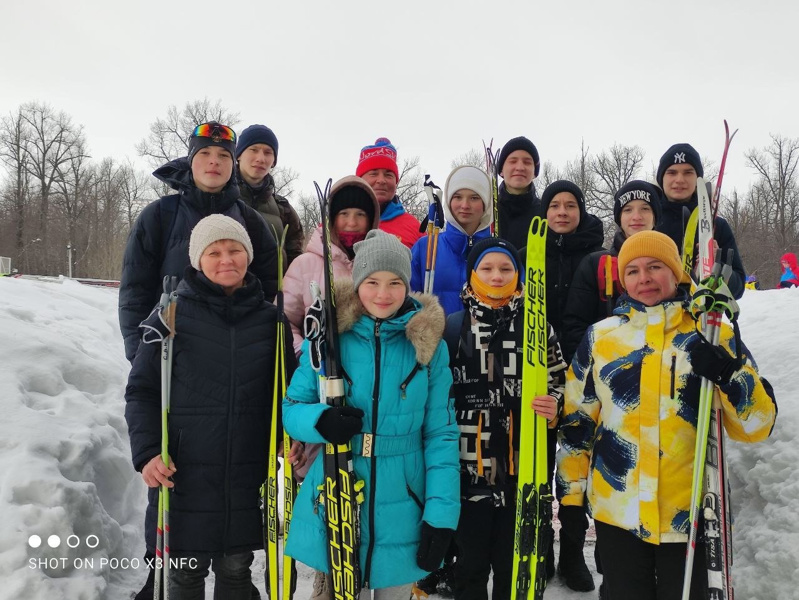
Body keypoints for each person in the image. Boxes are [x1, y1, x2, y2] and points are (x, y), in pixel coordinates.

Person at [557, 231, 777, 600]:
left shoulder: (711, 334)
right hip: (619, 515)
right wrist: (571, 498)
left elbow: (757, 427)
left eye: (655, 267)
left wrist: (729, 374)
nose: (644, 278)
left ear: (676, 273)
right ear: (622, 280)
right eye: (633, 270)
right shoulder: (601, 338)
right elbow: (578, 424)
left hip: (692, 518)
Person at [125, 215, 299, 599]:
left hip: (247, 475)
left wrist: (292, 442)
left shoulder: (272, 321)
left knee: (237, 572)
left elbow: (290, 393)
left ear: (248, 256)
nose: (226, 260)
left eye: (235, 249)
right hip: (184, 475)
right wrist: (148, 453)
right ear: (197, 260)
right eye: (214, 252)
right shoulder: (170, 315)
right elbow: (142, 390)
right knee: (184, 577)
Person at [282, 230, 460, 599]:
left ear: (407, 285)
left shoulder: (428, 346)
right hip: (338, 491)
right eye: (373, 282)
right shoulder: (331, 338)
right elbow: (291, 409)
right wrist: (320, 422)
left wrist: (441, 517)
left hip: (405, 502)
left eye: (395, 282)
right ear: (358, 281)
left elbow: (441, 433)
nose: (383, 294)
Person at [442, 237, 566, 600]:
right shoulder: (453, 328)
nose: (496, 276)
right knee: (470, 566)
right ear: (472, 274)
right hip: (470, 472)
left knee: (516, 567)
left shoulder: (537, 327)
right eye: (487, 268)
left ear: (518, 275)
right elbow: (434, 396)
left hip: (520, 470)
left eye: (506, 268)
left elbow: (560, 379)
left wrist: (555, 403)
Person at [119, 121, 278, 363]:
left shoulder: (251, 221)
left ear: (232, 165)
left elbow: (268, 286)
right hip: (171, 356)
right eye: (205, 153)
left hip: (234, 359)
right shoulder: (159, 216)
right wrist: (140, 354)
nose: (214, 161)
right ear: (191, 160)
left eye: (224, 155)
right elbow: (134, 293)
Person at [536, 179, 604, 591]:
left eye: (570, 205)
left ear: (581, 211)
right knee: (539, 463)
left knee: (576, 466)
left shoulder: (598, 257)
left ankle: (573, 551)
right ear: (544, 213)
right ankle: (541, 545)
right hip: (540, 373)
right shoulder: (530, 253)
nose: (562, 212)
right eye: (555, 205)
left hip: (584, 372)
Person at [561, 180, 663, 363]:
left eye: (645, 209)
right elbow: (574, 328)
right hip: (609, 372)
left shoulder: (671, 264)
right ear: (619, 217)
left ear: (655, 216)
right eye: (628, 210)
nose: (636, 216)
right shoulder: (596, 264)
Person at [283, 175, 380, 355]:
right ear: (331, 218)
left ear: (371, 219)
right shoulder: (305, 265)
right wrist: (305, 352)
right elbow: (284, 319)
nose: (352, 222)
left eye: (360, 214)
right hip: (322, 372)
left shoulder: (382, 262)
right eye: (344, 214)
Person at [655, 143, 746, 299]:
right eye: (672, 172)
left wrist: (718, 267)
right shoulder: (648, 221)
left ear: (697, 179)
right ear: (662, 178)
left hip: (702, 318)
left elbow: (737, 289)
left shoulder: (716, 225)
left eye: (688, 172)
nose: (679, 179)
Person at [410, 165, 493, 314]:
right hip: (436, 336)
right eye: (457, 197)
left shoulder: (499, 251)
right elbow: (406, 304)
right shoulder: (426, 248)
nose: (465, 205)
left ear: (486, 203)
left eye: (474, 198)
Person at [236, 124, 304, 267]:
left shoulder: (284, 210)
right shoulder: (219, 197)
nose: (261, 158)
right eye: (253, 150)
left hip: (272, 289)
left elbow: (295, 262)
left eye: (268, 152)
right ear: (239, 155)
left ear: (273, 161)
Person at [355, 137, 422, 249]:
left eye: (388, 175)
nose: (381, 180)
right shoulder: (339, 222)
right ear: (360, 180)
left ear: (396, 182)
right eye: (373, 173)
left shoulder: (415, 228)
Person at [495, 136, 541, 250]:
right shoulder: (487, 212)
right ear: (501, 170)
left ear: (535, 172)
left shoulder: (546, 213)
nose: (520, 167)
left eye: (527, 162)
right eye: (513, 161)